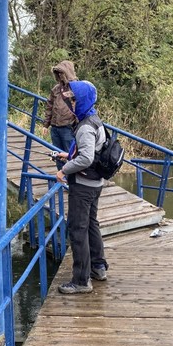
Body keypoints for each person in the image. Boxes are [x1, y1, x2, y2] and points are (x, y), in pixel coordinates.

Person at [55, 80, 109, 294]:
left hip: (84, 185)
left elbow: (86, 158)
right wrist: (69, 155)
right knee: (91, 224)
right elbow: (91, 151)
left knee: (78, 229)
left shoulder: (85, 126)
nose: (72, 103)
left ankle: (81, 281)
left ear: (84, 99)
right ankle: (98, 267)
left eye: (75, 99)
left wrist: (64, 170)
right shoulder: (95, 119)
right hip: (95, 183)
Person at [43, 60, 78, 170]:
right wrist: (46, 125)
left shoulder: (76, 88)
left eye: (62, 73)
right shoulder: (56, 89)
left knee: (70, 155)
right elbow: (49, 106)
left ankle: (71, 178)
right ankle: (61, 176)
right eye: (58, 73)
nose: (60, 75)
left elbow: (81, 106)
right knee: (58, 155)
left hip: (68, 127)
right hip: (55, 127)